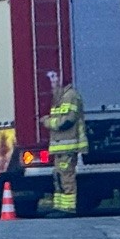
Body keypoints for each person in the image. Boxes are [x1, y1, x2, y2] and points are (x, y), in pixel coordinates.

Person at [45, 75, 88, 215]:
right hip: (60, 147)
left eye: (53, 82)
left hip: (68, 146)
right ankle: (59, 207)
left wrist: (47, 122)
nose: (51, 86)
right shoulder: (60, 98)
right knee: (58, 176)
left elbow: (68, 121)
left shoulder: (71, 96)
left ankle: (68, 208)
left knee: (67, 177)